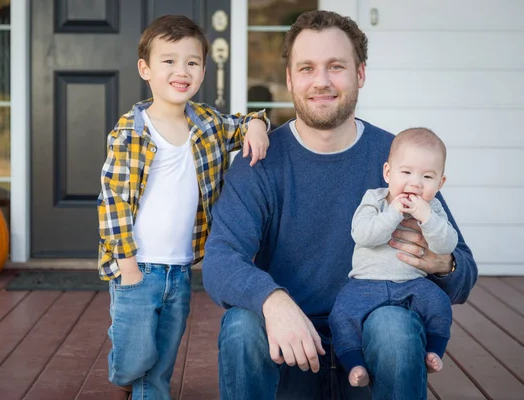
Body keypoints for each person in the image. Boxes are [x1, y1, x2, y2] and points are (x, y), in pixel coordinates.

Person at [202, 10, 477, 400]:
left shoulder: (397, 158)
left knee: (395, 328)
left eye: (336, 66)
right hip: (291, 347)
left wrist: (443, 264)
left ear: (360, 74)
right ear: (290, 79)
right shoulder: (260, 162)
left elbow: (465, 272)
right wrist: (272, 300)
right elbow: (219, 259)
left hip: (369, 348)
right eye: (307, 68)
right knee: (241, 327)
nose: (321, 81)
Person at [96, 15, 270, 400]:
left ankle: (147, 388)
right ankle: (122, 365)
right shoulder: (130, 133)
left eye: (192, 62)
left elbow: (241, 124)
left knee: (163, 357)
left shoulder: (206, 124)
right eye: (169, 61)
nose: (181, 71)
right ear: (146, 69)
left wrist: (256, 125)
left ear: (204, 70)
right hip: (136, 266)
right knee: (135, 355)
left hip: (179, 268)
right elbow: (113, 202)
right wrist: (126, 267)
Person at [329, 128, 458, 388]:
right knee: (341, 314)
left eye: (427, 177)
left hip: (411, 284)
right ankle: (354, 363)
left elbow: (447, 245)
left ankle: (434, 349)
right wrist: (393, 213)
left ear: (440, 183)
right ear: (388, 173)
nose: (415, 183)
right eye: (406, 172)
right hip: (366, 284)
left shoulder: (432, 208)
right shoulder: (374, 200)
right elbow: (363, 235)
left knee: (440, 303)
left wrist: (428, 219)